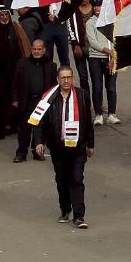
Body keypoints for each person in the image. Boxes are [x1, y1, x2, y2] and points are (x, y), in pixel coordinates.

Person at [32, 66, 95, 228]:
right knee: (61, 180)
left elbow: (88, 122)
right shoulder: (49, 98)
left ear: (72, 78)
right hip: (58, 147)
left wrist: (90, 144)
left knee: (76, 179)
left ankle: (79, 216)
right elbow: (39, 121)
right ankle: (65, 210)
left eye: (69, 77)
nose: (66, 80)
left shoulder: (82, 95)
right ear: (58, 80)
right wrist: (39, 141)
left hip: (78, 147)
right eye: (63, 78)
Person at [0, 4, 29, 139]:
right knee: (0, 98)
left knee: (15, 97)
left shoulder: (16, 28)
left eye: (6, 15)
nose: (4, 17)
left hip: (14, 69)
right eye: (2, 15)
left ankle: (15, 124)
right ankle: (3, 124)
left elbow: (24, 46)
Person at [13, 39, 57, 162]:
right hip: (26, 101)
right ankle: (21, 153)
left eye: (39, 49)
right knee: (24, 129)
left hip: (43, 102)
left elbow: (54, 86)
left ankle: (38, 152)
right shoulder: (22, 63)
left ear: (44, 50)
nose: (36, 51)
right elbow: (15, 83)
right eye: (34, 49)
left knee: (42, 128)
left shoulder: (51, 66)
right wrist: (15, 99)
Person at [86, 0, 119, 124]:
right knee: (97, 86)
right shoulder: (91, 23)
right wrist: (107, 50)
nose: (97, 8)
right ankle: (98, 114)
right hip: (96, 58)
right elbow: (93, 42)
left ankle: (112, 114)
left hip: (111, 59)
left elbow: (116, 40)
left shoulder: (111, 21)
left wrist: (113, 56)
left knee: (111, 87)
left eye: (99, 5)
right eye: (95, 6)